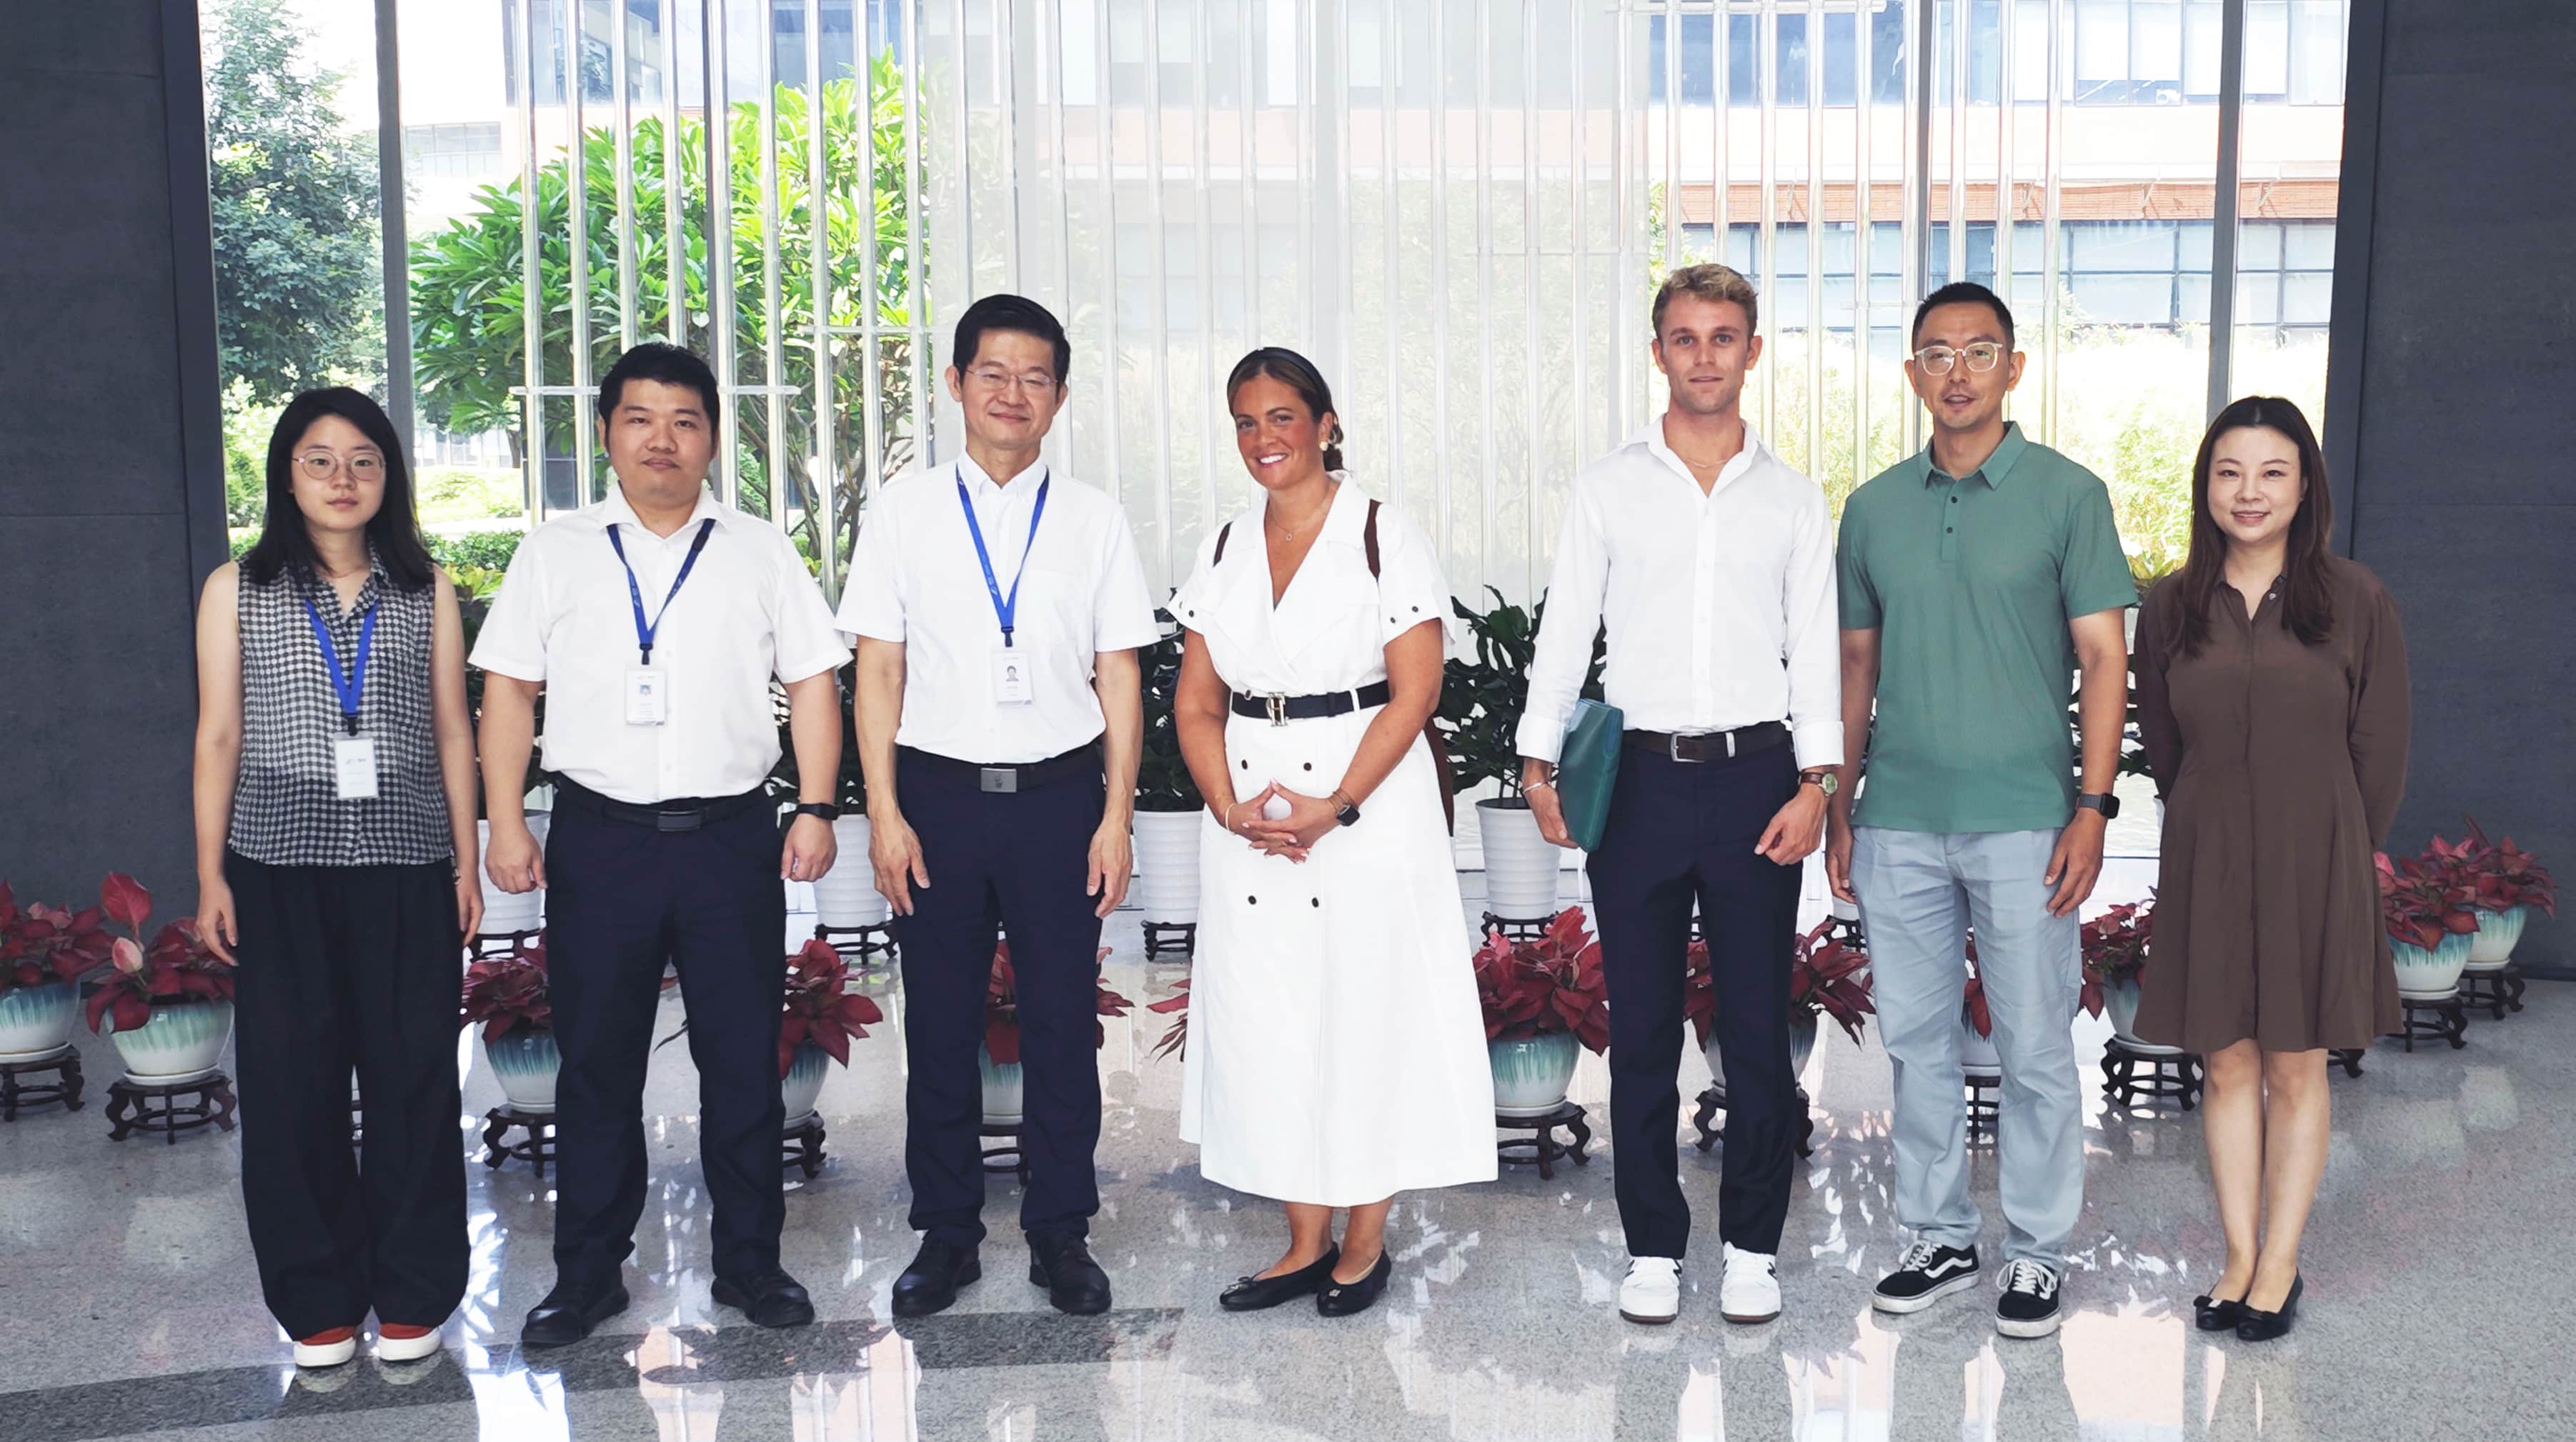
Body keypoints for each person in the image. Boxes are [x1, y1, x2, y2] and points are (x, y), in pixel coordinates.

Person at [474, 342, 850, 1346]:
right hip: (600, 839)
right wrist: (506, 819)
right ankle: (588, 1273)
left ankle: (751, 1265)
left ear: (712, 439)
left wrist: (817, 806)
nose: (662, 440)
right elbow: (509, 689)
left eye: (685, 421)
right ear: (606, 432)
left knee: (742, 1063)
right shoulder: (554, 552)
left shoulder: (760, 550)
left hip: (728, 839)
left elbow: (814, 681)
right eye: (639, 418)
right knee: (597, 1067)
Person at [1519, 264, 1843, 1328]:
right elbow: (1565, 630)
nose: (1705, 354)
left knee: (1755, 1029)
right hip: (1640, 783)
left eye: (1724, 335)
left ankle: (1753, 1245)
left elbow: (1813, 652)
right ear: (1657, 351)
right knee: (1646, 1030)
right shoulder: (1606, 489)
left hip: (1758, 779)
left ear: (1753, 350)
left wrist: (1817, 783)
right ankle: (1652, 1247)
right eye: (1685, 336)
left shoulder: (1794, 499)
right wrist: (1536, 762)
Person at [840, 294, 1160, 1318]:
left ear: (1058, 397)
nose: (1012, 393)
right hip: (936, 796)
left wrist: (1115, 817)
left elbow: (1120, 675)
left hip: (1059, 798)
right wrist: (884, 815)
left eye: (1034, 377)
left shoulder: (1094, 518)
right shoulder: (903, 513)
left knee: (1062, 1022)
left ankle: (1061, 1231)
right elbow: (876, 671)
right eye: (993, 373)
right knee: (939, 1022)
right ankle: (946, 1233)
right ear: (955, 384)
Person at [1827, 282, 2137, 1339]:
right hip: (1898, 817)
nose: (1955, 371)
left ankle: (2038, 1250)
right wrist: (1839, 801)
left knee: (2035, 1043)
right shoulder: (1872, 508)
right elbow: (1855, 667)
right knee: (1915, 1042)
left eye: (1977, 350)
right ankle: (1939, 1235)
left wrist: (2092, 807)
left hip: (2026, 818)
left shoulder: (2069, 495)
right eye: (1935, 353)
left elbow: (2104, 658)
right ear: (1912, 371)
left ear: (2014, 366)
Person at [1167, 347, 1497, 1318]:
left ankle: (1363, 1238)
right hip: (1252, 814)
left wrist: (1339, 803)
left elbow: (1416, 691)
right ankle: (1302, 1239)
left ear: (1325, 422)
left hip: (1366, 807)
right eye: (1245, 421)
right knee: (1269, 1017)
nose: (1263, 438)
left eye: (1282, 416)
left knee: (1363, 1012)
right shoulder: (1224, 545)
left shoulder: (1383, 532)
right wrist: (1224, 804)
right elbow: (1196, 700)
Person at [192, 387, 477, 1368]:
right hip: (277, 865)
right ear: (287, 475)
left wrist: (465, 861)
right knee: (289, 1085)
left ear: (388, 475)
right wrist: (209, 875)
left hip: (406, 863)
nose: (343, 478)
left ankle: (413, 1291)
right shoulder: (237, 588)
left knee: (413, 1081)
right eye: (319, 459)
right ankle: (315, 1298)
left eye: (364, 459)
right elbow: (219, 735)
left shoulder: (426, 587)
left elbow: (453, 731)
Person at [2132, 397, 2410, 1343]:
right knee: (2225, 1060)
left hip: (2315, 850)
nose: (2248, 492)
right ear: (2205, 485)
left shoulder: (2355, 599)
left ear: (2304, 487)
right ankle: (2237, 1256)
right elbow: (2164, 741)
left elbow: (2380, 748)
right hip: (2208, 847)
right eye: (2229, 472)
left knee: (2294, 1061)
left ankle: (2280, 1263)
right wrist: (2209, 816)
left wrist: (2337, 848)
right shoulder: (2171, 605)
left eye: (2271, 472)